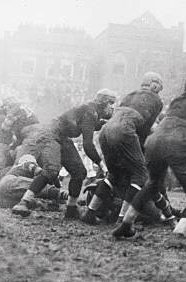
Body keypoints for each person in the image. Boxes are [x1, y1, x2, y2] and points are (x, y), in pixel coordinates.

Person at [112, 71, 186, 239]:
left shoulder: (177, 101)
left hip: (154, 141)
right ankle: (178, 233)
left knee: (152, 185)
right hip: (177, 142)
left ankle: (126, 223)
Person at [81, 72, 174, 225]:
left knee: (113, 175)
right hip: (124, 130)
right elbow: (143, 129)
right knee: (140, 175)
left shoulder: (129, 95)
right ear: (155, 85)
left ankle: (89, 212)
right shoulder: (156, 99)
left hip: (105, 132)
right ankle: (122, 219)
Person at [11, 89, 116, 219]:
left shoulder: (91, 110)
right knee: (51, 170)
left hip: (62, 136)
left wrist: (101, 124)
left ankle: (71, 208)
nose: (112, 107)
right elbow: (88, 145)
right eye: (110, 103)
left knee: (79, 172)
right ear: (103, 102)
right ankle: (23, 202)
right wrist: (103, 166)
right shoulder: (90, 112)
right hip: (51, 133)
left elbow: (86, 124)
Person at [0, 154, 68, 209]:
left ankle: (50, 204)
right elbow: (43, 173)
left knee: (34, 202)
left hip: (0, 198)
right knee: (39, 187)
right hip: (9, 182)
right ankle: (66, 195)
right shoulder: (26, 164)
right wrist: (56, 186)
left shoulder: (12, 169)